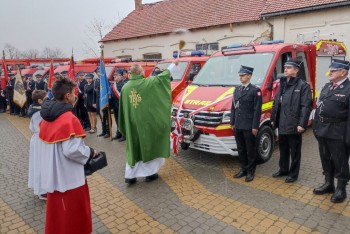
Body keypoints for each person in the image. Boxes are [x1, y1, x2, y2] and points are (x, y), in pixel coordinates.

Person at [39, 78, 97, 234]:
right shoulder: (68, 118)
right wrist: (90, 152)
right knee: (73, 217)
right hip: (69, 177)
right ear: (67, 95)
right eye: (73, 92)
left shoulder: (47, 117)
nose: (75, 95)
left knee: (58, 218)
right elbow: (72, 150)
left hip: (52, 175)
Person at [119, 59, 179, 184]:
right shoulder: (147, 83)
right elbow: (162, 77)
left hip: (131, 124)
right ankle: (150, 174)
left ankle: (130, 176)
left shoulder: (125, 87)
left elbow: (122, 110)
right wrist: (174, 64)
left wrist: (124, 125)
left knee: (134, 148)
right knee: (148, 146)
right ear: (140, 72)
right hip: (145, 125)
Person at [313, 59, 350, 203]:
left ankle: (341, 189)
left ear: (343, 72)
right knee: (325, 158)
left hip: (338, 132)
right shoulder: (327, 86)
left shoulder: (348, 88)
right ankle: (329, 183)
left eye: (333, 70)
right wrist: (316, 127)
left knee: (340, 161)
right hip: (323, 130)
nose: (330, 73)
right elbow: (319, 107)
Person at [271, 59, 312, 183]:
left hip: (294, 125)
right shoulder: (282, 83)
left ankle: (293, 174)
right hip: (282, 123)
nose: (285, 69)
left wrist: (302, 124)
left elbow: (306, 106)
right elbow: (276, 103)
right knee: (283, 150)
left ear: (296, 70)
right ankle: (283, 169)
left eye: (288, 67)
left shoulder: (303, 86)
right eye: (285, 67)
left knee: (295, 152)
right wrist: (274, 119)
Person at [230, 65, 262, 182]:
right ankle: (243, 169)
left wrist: (255, 126)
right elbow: (233, 107)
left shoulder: (255, 91)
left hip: (248, 125)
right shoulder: (237, 89)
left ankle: (250, 171)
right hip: (238, 124)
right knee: (241, 149)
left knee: (250, 150)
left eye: (243, 75)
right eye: (240, 75)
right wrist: (232, 122)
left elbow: (257, 110)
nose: (241, 77)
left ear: (249, 76)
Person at [28, 90, 47, 200]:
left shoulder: (33, 109)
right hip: (41, 139)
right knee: (41, 164)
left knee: (38, 163)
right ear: (40, 101)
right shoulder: (39, 113)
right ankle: (42, 191)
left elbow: (31, 127)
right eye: (45, 99)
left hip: (36, 139)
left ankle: (40, 188)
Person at [110, 70, 126, 141]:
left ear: (121, 76)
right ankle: (118, 133)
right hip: (115, 105)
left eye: (116, 75)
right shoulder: (113, 84)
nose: (114, 76)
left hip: (121, 105)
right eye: (114, 75)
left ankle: (124, 135)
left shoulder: (124, 84)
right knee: (117, 120)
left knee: (122, 120)